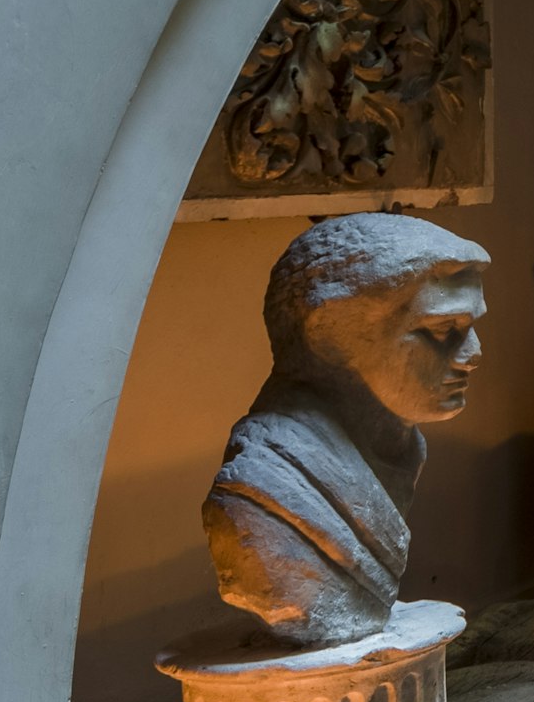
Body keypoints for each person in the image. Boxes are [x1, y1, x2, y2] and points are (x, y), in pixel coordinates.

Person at [203, 213, 490, 645]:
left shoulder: (404, 446)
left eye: (471, 327)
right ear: (331, 335)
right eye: (442, 329)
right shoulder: (261, 490)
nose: (473, 354)